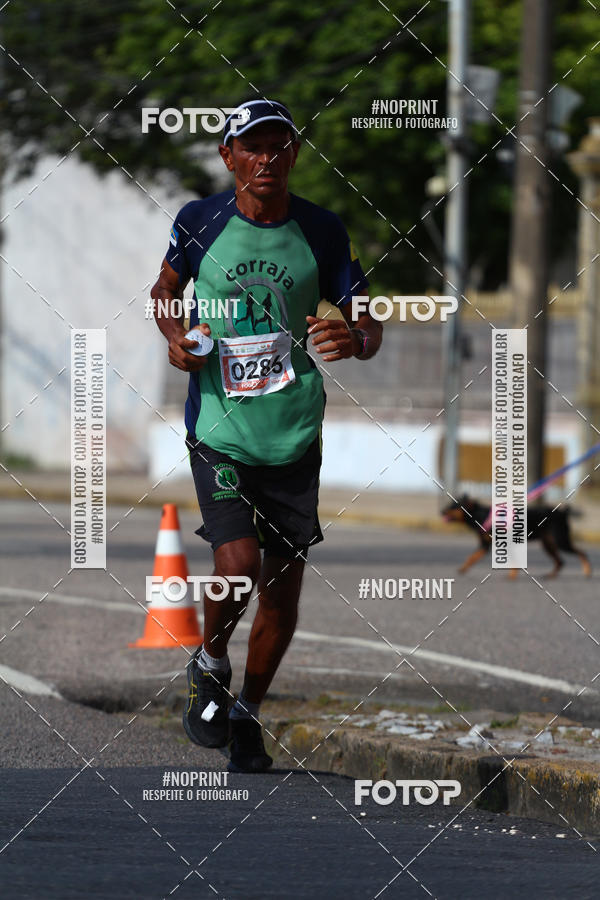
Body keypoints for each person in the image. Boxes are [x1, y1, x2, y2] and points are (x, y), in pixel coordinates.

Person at [151, 98, 382, 772]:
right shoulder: (200, 221)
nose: (267, 159)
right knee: (238, 568)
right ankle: (210, 660)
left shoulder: (321, 228)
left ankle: (248, 713)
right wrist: (175, 338)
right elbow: (165, 291)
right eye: (252, 147)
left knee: (282, 588)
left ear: (294, 155)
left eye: (280, 146)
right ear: (228, 157)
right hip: (219, 428)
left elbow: (365, 313)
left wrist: (358, 337)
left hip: (293, 432)